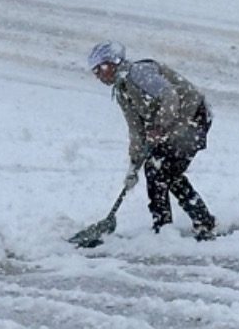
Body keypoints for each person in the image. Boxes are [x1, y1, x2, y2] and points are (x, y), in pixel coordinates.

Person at [87, 40, 217, 239]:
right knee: (160, 171)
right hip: (173, 124)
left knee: (161, 170)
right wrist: (133, 166)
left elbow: (170, 96)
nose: (98, 76)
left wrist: (160, 126)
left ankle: (169, 226)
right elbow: (136, 130)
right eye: (95, 72)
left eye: (99, 69)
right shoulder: (122, 90)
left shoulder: (138, 73)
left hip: (193, 117)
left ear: (112, 63)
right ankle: (192, 221)